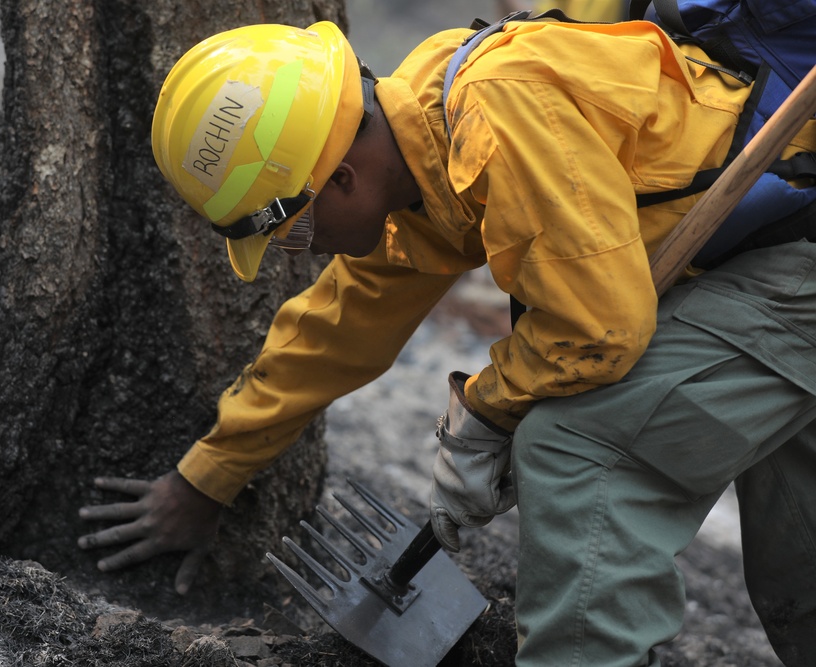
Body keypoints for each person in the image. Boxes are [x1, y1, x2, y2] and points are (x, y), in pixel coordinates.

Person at [78, 12, 816, 666]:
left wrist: (487, 413)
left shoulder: (494, 117)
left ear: (339, 179)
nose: (299, 250)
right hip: (747, 260)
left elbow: (601, 331)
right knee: (800, 570)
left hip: (789, 256)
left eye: (291, 226)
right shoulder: (423, 129)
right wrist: (209, 474)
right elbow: (340, 324)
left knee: (579, 450)